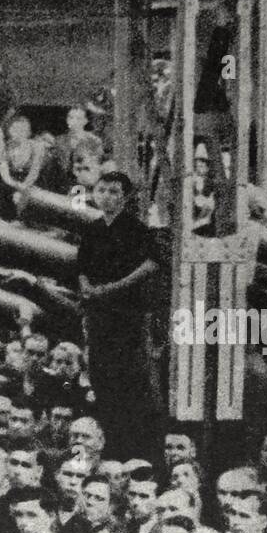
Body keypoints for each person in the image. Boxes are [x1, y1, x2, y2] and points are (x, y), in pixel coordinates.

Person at [73, 170, 162, 457]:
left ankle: (128, 447)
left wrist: (112, 288)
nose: (107, 197)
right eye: (102, 190)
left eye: (114, 191)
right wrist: (88, 288)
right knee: (101, 379)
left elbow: (150, 265)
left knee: (128, 382)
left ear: (125, 197)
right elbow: (82, 267)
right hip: (99, 316)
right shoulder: (92, 229)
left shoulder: (136, 229)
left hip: (125, 317)